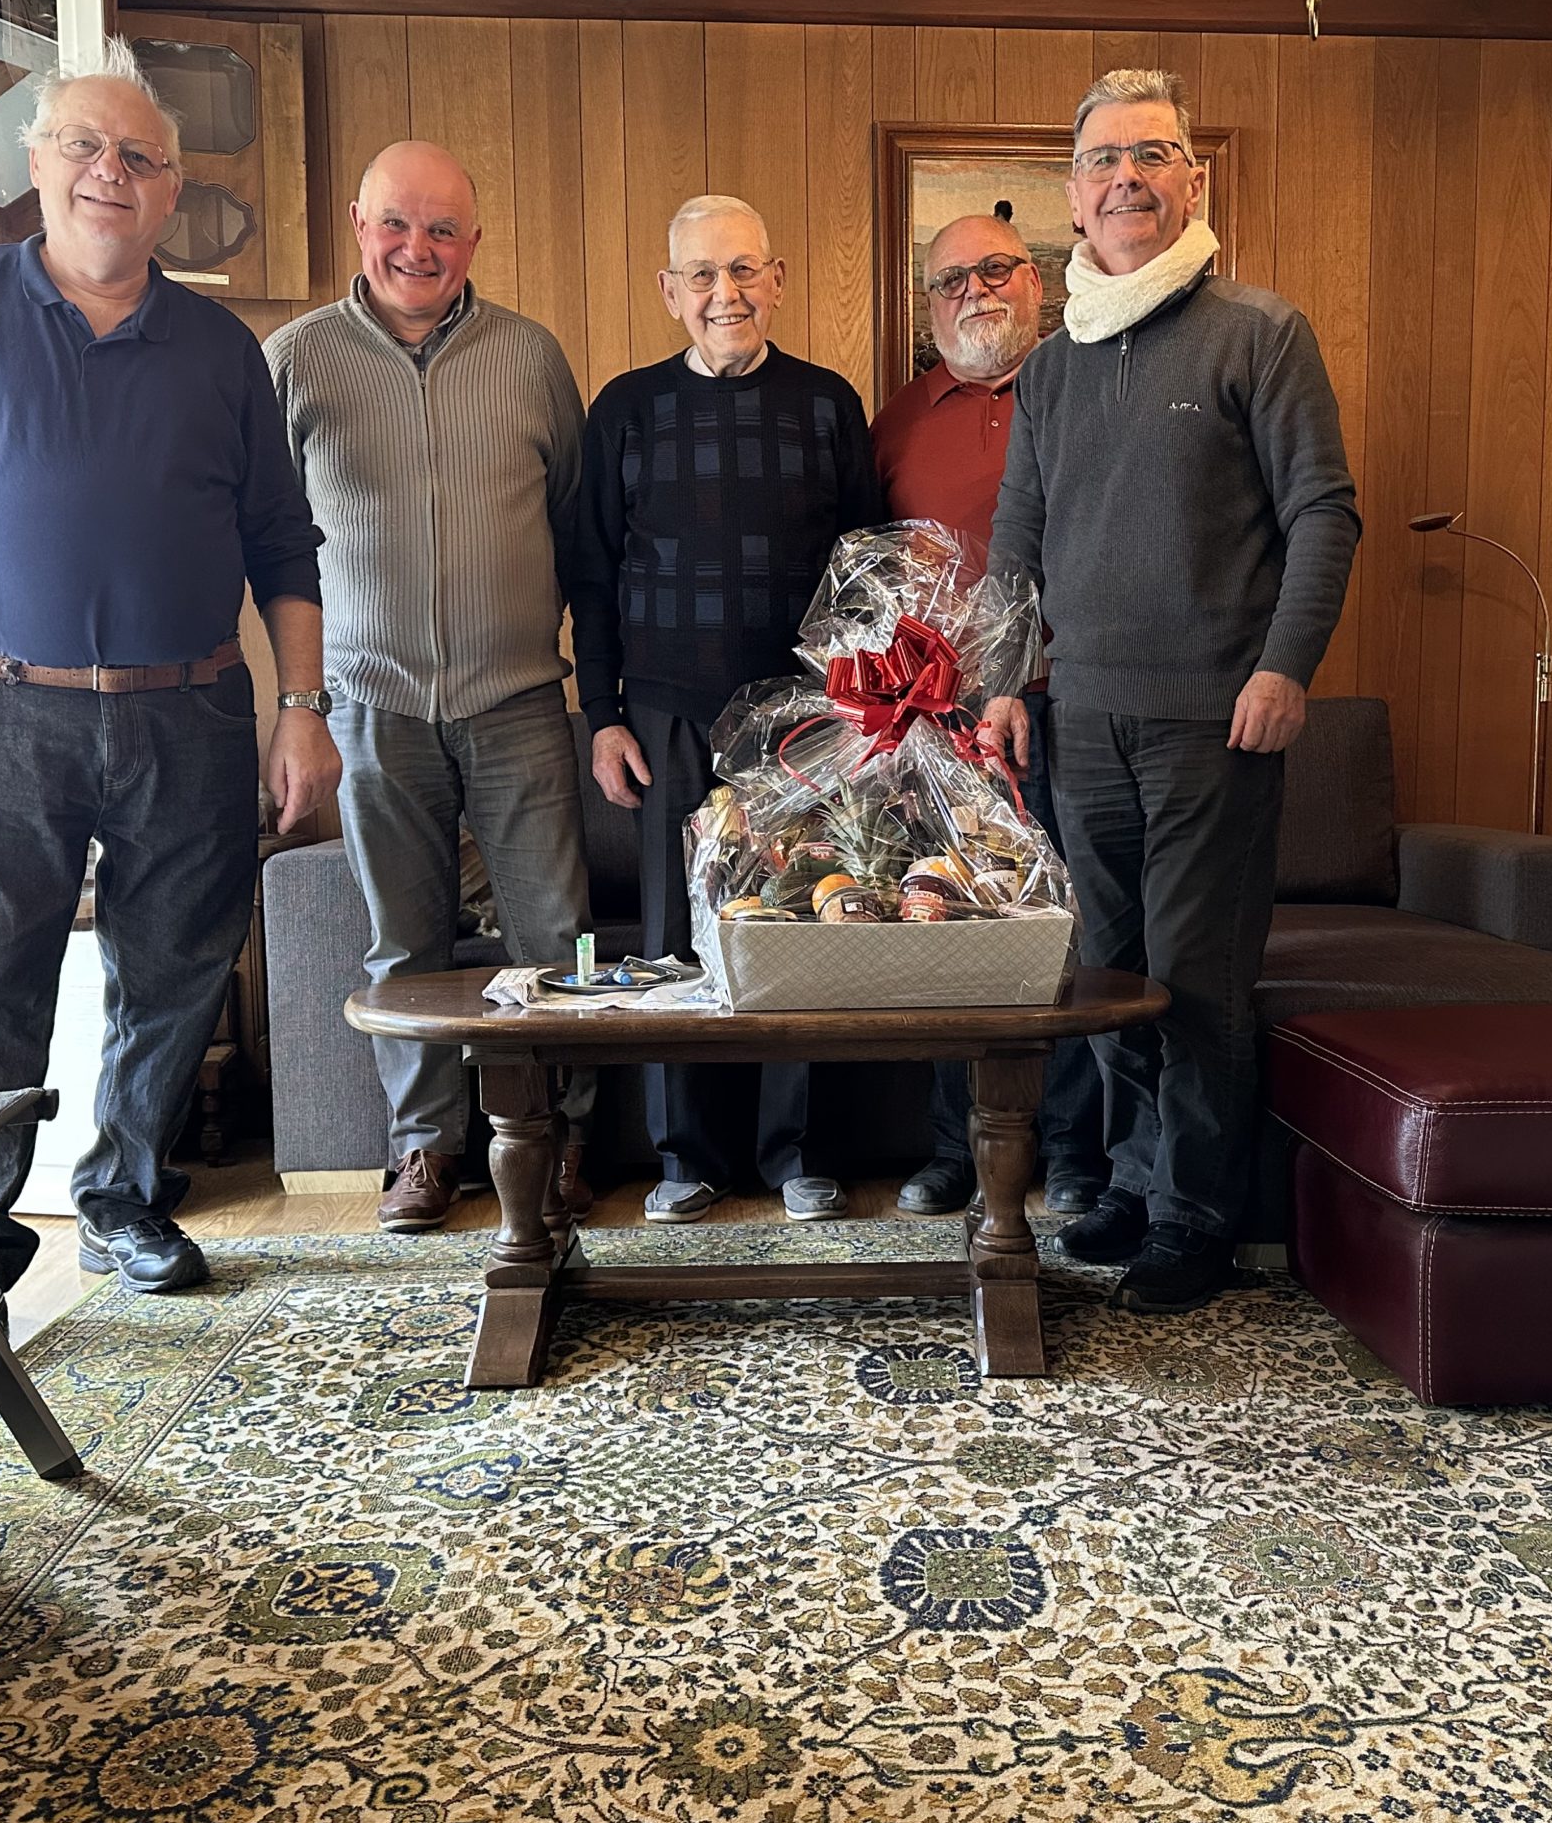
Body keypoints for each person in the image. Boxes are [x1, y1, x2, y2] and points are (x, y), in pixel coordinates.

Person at [0, 40, 335, 1366]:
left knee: (176, 973)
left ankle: (124, 1198)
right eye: (84, 146)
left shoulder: (222, 348)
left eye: (140, 157)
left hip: (193, 709)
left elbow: (283, 542)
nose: (111, 172)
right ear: (38, 164)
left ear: (170, 191)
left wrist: (303, 706)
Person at [985, 70, 1361, 1313]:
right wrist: (1004, 681)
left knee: (1197, 981)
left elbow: (1323, 511)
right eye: (1103, 160)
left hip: (1216, 719)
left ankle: (1196, 1214)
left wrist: (1285, 666)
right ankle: (1136, 1185)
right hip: (1081, 723)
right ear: (1072, 198)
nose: (1126, 179)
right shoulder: (1049, 369)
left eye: (1151, 155)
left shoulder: (1260, 331)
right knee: (1111, 973)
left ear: (1192, 183)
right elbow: (1016, 543)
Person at [267, 140, 599, 1235]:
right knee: (402, 942)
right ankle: (424, 1147)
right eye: (398, 224)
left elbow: (579, 528)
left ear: (474, 241)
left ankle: (558, 1138)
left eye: (444, 228)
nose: (420, 247)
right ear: (359, 227)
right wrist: (296, 705)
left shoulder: (530, 356)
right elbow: (268, 540)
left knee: (556, 933)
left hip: (518, 699)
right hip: (372, 704)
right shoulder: (296, 360)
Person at [570, 194, 885, 1225]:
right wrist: (602, 716)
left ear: (777, 281)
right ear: (670, 291)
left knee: (803, 917)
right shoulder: (625, 408)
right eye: (702, 275)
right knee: (677, 935)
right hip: (665, 715)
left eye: (744, 270)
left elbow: (863, 571)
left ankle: (800, 1153)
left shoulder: (827, 404)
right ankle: (687, 1157)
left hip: (805, 721)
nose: (725, 294)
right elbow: (592, 577)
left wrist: (859, 711)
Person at [872, 212, 1106, 1222]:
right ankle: (954, 1149)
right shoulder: (898, 419)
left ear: (1038, 282)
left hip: (1074, 708)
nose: (975, 291)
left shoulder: (1090, 383)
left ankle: (1078, 1153)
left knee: (1070, 933)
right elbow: (866, 569)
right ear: (928, 304)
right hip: (940, 724)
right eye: (951, 279)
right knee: (946, 930)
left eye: (997, 270)